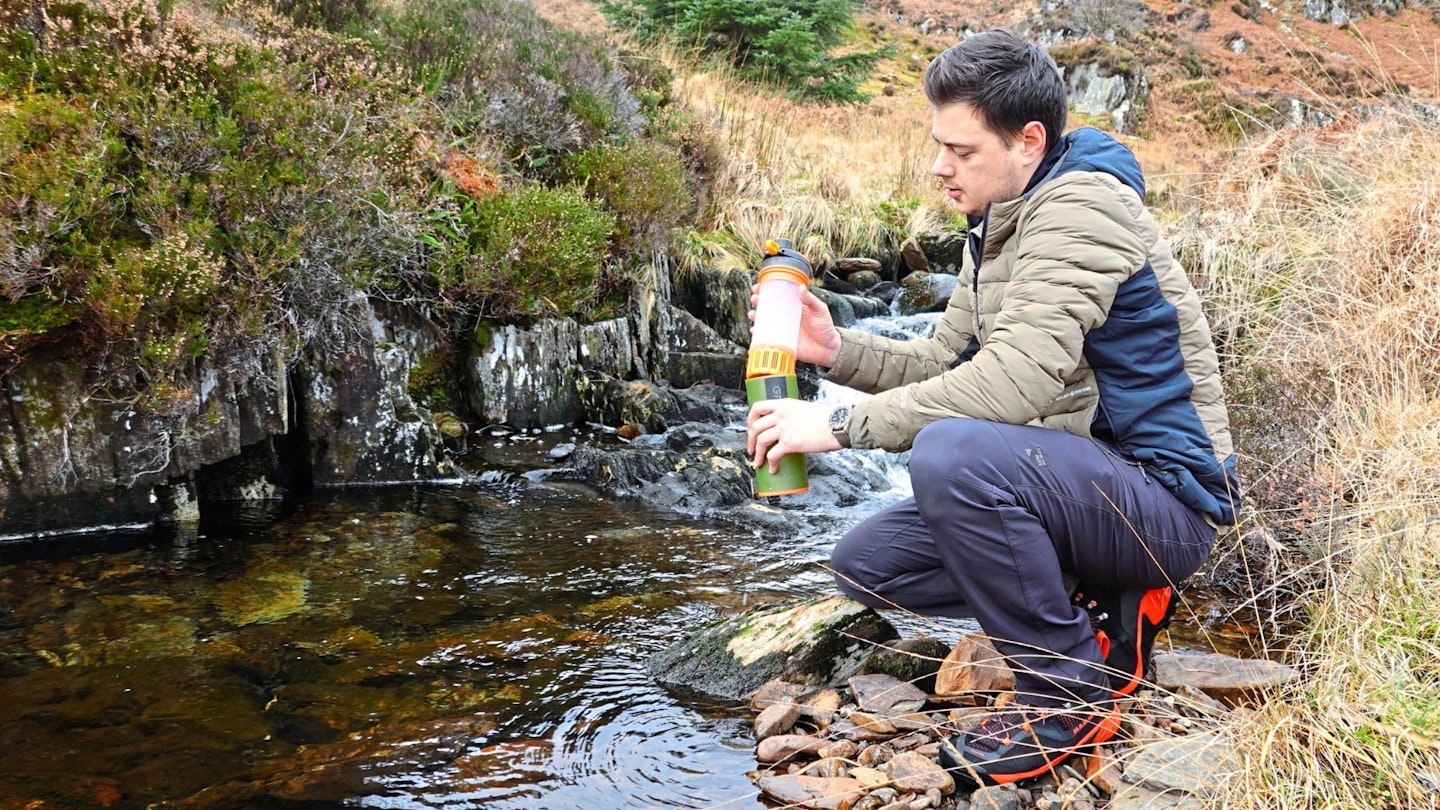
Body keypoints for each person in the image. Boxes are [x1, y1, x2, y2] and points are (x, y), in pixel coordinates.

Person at [745, 28, 1239, 787]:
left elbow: (1013, 383)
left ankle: (1068, 692)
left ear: (1028, 139)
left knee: (952, 454)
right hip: (1086, 488)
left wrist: (838, 426)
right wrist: (835, 351)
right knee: (867, 564)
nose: (940, 168)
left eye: (962, 150)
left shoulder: (1082, 210)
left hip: (1162, 503)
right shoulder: (1002, 216)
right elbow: (945, 360)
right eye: (938, 144)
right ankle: (1105, 611)